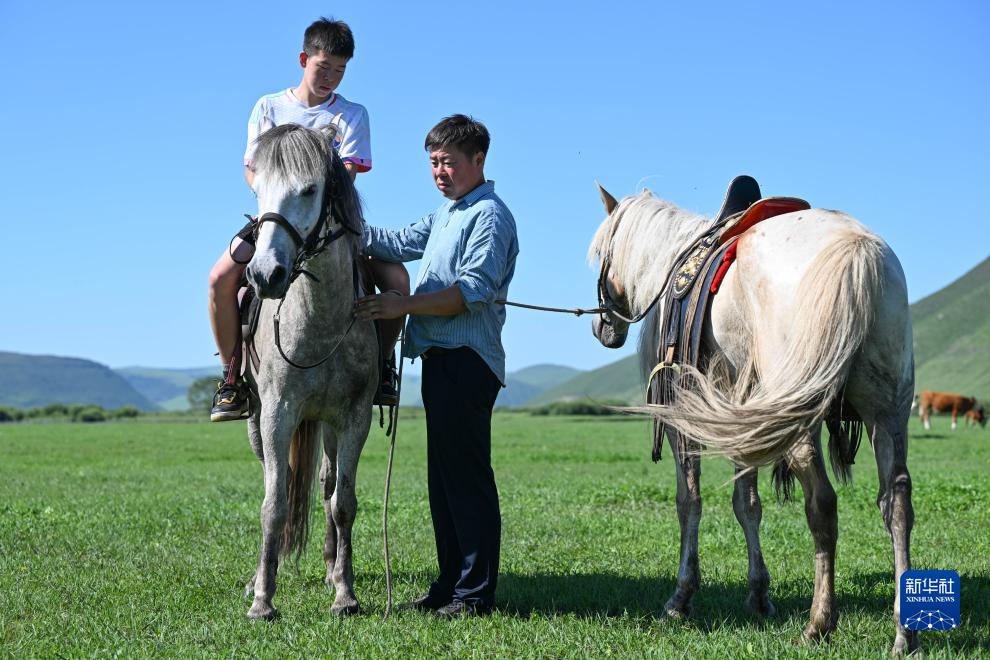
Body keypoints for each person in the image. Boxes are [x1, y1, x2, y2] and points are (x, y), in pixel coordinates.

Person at [354, 114, 519, 617]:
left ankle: (474, 595)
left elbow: (472, 291)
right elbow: (396, 241)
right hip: (441, 360)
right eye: (433, 163)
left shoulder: (489, 215)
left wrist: (402, 307)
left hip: (468, 361)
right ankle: (450, 586)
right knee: (443, 481)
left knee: (466, 478)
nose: (440, 172)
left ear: (478, 160)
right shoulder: (449, 212)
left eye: (448, 162)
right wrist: (341, 223)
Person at [207, 17, 408, 421]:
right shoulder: (269, 107)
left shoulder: (352, 114)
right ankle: (232, 377)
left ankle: (381, 369)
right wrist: (273, 195)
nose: (331, 76)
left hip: (334, 222)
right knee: (219, 279)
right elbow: (251, 169)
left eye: (340, 69)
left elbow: (348, 173)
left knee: (398, 281)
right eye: (323, 66)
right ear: (303, 59)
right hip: (276, 218)